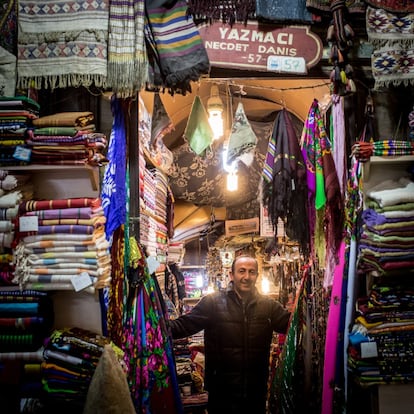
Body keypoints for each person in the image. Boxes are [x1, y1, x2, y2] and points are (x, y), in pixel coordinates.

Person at [169, 255, 291, 414]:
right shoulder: (213, 302)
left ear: (257, 276)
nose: (247, 277)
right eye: (242, 271)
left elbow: (291, 326)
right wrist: (155, 327)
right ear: (231, 275)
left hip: (255, 391)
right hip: (222, 392)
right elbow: (184, 325)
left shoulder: (268, 306)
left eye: (251, 272)